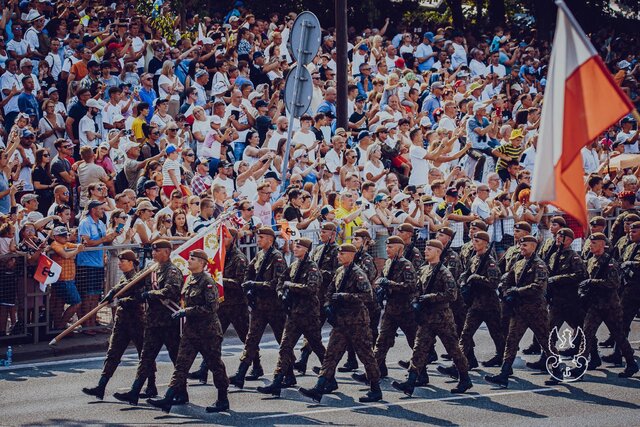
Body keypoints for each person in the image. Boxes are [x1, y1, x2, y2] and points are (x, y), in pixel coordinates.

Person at [147, 250, 230, 414]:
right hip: (191, 332)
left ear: (201, 263)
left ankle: (223, 399)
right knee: (181, 366)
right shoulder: (189, 279)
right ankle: (168, 399)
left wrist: (187, 311)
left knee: (215, 365)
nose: (188, 261)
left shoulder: (207, 282)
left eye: (192, 259)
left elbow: (211, 307)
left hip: (208, 332)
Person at [299, 243, 382, 403]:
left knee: (366, 356)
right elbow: (330, 290)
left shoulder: (358, 274)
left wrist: (346, 296)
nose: (339, 256)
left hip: (357, 322)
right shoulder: (339, 271)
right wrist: (328, 305)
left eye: (342, 254)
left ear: (351, 255)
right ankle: (319, 388)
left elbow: (367, 296)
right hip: (341, 323)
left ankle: (375, 389)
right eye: (338, 254)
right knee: (331, 355)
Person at [392, 239, 472, 396]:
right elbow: (416, 289)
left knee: (454, 350)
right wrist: (416, 301)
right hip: (426, 318)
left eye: (429, 249)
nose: (425, 251)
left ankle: (465, 378)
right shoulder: (423, 270)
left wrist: (431, 297)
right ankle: (410, 382)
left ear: (438, 252)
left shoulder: (444, 272)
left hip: (442, 317)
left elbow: (452, 294)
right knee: (419, 350)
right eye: (425, 249)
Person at [114, 240, 184, 406]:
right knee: (146, 358)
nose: (153, 254)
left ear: (166, 252)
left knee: (177, 358)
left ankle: (182, 393)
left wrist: (150, 294)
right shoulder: (152, 269)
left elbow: (171, 291)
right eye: (152, 251)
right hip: (153, 322)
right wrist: (114, 292)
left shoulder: (173, 271)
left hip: (169, 323)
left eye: (157, 251)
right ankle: (135, 392)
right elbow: (134, 282)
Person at [486, 235, 562, 388]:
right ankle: (504, 373)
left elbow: (539, 286)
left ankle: (557, 370)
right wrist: (507, 292)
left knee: (545, 342)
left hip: (536, 310)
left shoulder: (539, 265)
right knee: (511, 341)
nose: (522, 248)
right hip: (519, 310)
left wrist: (518, 291)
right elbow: (507, 280)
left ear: (534, 246)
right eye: (520, 245)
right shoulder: (519, 263)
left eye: (525, 245)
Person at [81, 250, 157, 400]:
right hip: (122, 322)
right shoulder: (124, 278)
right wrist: (113, 293)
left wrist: (120, 298)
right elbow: (122, 288)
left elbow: (138, 298)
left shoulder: (140, 278)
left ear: (131, 262)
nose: (119, 263)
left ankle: (151, 386)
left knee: (145, 354)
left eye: (123, 261)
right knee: (113, 353)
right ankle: (101, 387)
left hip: (138, 322)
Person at [257, 238, 326, 397]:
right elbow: (281, 281)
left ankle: (328, 376)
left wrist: (291, 286)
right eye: (295, 246)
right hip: (293, 314)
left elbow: (311, 288)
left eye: (300, 247)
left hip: (308, 315)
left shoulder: (312, 268)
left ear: (307, 250)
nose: (295, 248)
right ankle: (276, 382)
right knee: (285, 347)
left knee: (317, 347)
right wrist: (281, 292)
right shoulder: (293, 266)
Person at [352, 236, 416, 384]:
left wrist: (391, 284)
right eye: (387, 247)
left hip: (405, 310)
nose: (387, 249)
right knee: (382, 342)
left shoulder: (406, 265)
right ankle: (373, 372)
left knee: (415, 342)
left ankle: (421, 373)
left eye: (391, 247)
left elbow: (411, 286)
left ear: (400, 248)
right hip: (391, 309)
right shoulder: (388, 263)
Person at [229, 227, 287, 389]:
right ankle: (241, 374)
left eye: (261, 237)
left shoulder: (277, 258)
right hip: (259, 307)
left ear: (270, 239)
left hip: (274, 307)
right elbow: (249, 271)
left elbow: (277, 283)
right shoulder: (260, 255)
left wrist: (255, 284)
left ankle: (288, 373)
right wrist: (249, 288)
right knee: (251, 340)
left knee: (283, 341)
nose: (258, 240)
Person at [579, 232, 638, 378]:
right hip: (595, 305)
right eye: (590, 243)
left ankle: (631, 363)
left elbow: (613, 284)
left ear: (602, 244)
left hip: (610, 305)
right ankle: (580, 365)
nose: (590, 246)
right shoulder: (591, 260)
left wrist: (592, 283)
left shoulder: (610, 262)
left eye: (594, 243)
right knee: (586, 333)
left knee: (619, 335)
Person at [76, 200, 120, 334]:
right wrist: (104, 240)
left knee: (95, 295)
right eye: (101, 209)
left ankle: (92, 322)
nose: (103, 211)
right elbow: (87, 242)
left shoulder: (101, 223)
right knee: (87, 295)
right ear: (93, 210)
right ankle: (85, 324)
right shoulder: (85, 223)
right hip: (87, 264)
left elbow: (103, 242)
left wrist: (111, 238)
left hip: (99, 264)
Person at [48, 226, 84, 330]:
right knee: (77, 303)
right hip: (63, 279)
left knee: (60, 303)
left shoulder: (66, 244)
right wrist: (77, 250)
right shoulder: (55, 244)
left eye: (66, 235)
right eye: (62, 235)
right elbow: (66, 255)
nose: (65, 237)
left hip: (68, 279)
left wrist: (80, 245)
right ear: (55, 237)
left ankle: (57, 327)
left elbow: (78, 246)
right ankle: (61, 326)